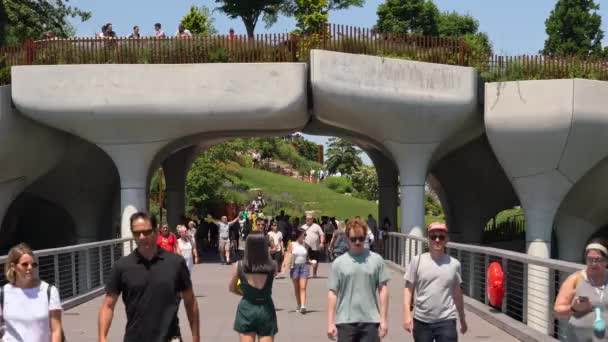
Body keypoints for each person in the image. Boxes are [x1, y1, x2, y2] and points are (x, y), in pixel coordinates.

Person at [98, 212, 200, 342]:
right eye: (136, 233)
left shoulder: (175, 263)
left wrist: (196, 337)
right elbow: (107, 305)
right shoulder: (122, 267)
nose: (141, 237)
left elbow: (190, 302)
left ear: (156, 231)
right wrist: (102, 337)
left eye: (146, 232)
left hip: (170, 338)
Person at [327, 218, 390, 341]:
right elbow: (332, 293)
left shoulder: (376, 260)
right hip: (345, 320)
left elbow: (383, 290)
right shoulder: (338, 263)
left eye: (361, 238)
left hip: (371, 320)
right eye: (353, 239)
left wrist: (383, 319)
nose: (357, 242)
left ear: (366, 237)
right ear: (346, 238)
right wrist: (330, 323)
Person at [403, 222, 467, 342]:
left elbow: (457, 294)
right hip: (422, 321)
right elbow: (408, 289)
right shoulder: (417, 261)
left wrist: (462, 319)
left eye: (441, 237)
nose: (437, 240)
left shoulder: (454, 264)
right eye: (433, 237)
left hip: (446, 320)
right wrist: (406, 315)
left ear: (446, 240)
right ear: (428, 239)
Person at [0, 243, 63, 342]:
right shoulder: (3, 293)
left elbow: (56, 330)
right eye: (25, 264)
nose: (30, 268)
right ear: (13, 267)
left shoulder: (49, 291)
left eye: (33, 264)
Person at [555, 240, 608, 341]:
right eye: (589, 259)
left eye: (598, 260)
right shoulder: (575, 279)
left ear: (606, 261)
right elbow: (557, 311)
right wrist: (573, 308)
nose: (593, 263)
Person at [229, 232, 278, 341]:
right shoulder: (273, 266)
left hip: (247, 307)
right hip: (266, 308)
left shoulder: (239, 266)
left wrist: (245, 293)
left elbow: (232, 288)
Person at [282, 228, 312, 314]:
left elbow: (307, 257)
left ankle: (303, 306)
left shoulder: (305, 244)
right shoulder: (292, 244)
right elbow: (287, 256)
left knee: (303, 287)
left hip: (304, 267)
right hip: (294, 267)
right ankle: (298, 304)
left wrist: (310, 261)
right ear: (299, 235)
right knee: (297, 288)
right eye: (304, 234)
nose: (305, 236)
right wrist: (284, 266)